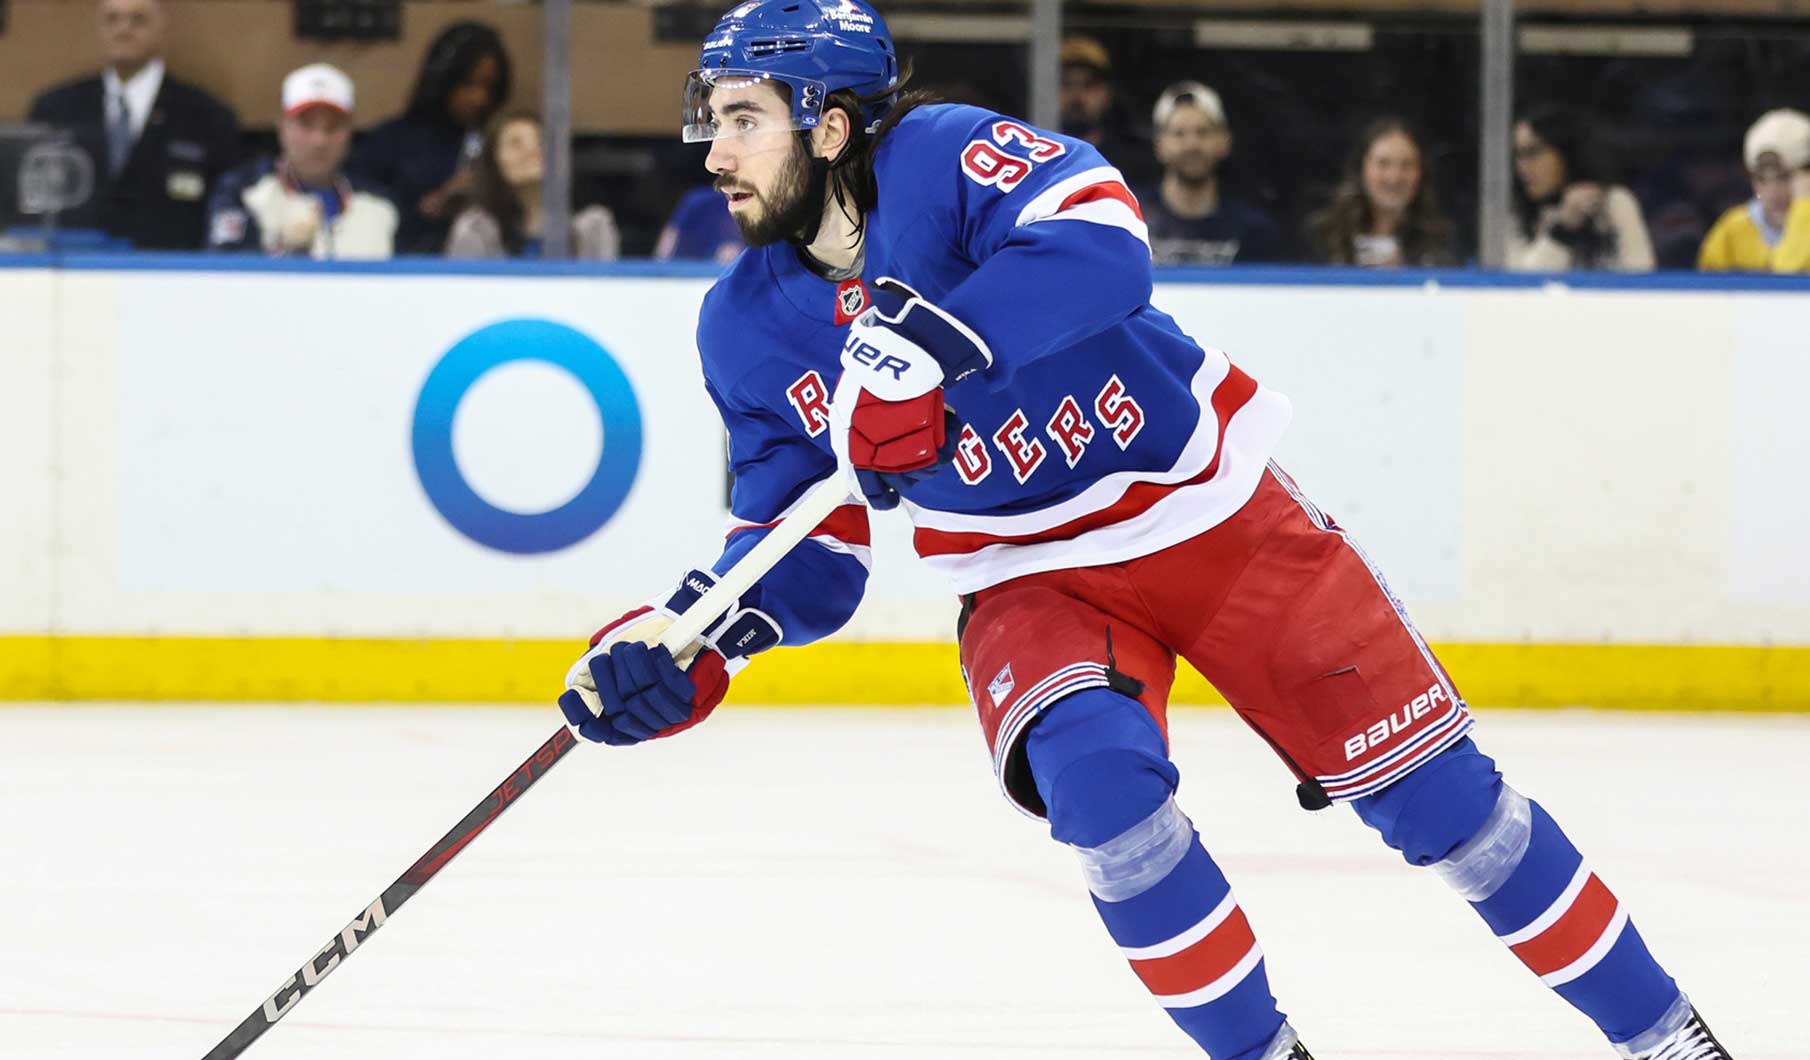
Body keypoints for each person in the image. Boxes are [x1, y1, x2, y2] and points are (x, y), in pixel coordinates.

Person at [557, 3, 1739, 1059]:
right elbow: (803, 551)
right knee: (1105, 801)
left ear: (829, 127)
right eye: (708, 120)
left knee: (1453, 817)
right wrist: (691, 641)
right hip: (1029, 575)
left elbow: (1106, 237)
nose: (711, 152)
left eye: (743, 119)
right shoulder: (744, 324)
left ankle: (1667, 1038)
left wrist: (939, 343)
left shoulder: (938, 156)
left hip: (1212, 519)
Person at [26, 0, 240, 249]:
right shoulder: (57, 110)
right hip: (76, 271)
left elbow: (224, 214)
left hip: (171, 274)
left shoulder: (207, 117)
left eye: (138, 19)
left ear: (162, 28)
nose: (123, 29)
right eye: (112, 19)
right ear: (99, 29)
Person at [204, 64, 396, 258]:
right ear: (282, 128)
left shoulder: (381, 204)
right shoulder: (242, 191)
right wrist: (284, 250)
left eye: (332, 127)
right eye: (306, 125)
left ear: (349, 133)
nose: (319, 140)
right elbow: (224, 273)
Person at [352, 21, 511, 254]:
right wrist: (429, 207)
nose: (479, 98)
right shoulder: (390, 141)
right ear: (443, 80)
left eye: (489, 87)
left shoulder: (495, 144)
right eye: (468, 84)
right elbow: (358, 214)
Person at [1138, 81, 1282, 265]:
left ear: (1225, 141)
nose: (1192, 145)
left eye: (1203, 132)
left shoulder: (1253, 230)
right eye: (1179, 134)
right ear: (1159, 145)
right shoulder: (1132, 220)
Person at [444, 110, 618, 260]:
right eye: (515, 144)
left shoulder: (593, 227)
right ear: (493, 162)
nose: (533, 150)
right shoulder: (476, 228)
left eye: (541, 140)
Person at [1508, 105, 1654, 272]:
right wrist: (1562, 232)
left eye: (1533, 153)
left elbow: (1641, 277)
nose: (1522, 167)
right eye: (1518, 156)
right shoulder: (1515, 212)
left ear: (1565, 153)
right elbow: (1519, 287)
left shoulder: (1614, 202)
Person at [1303, 117, 1456, 268]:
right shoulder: (1324, 236)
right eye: (1383, 164)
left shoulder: (1440, 242)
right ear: (1361, 169)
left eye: (1407, 165)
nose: (1394, 177)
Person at [1698, 108, 1810, 272]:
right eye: (1760, 179)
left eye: (1784, 177)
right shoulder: (1733, 230)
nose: (1772, 193)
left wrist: (1803, 210)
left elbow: (1787, 279)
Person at [1058, 35, 1155, 190]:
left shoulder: (1134, 161)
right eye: (1066, 83)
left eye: (1088, 84)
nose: (1077, 95)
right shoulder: (1034, 156)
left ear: (1107, 93)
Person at [654, 185, 744, 263]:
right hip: (689, 271)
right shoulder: (699, 200)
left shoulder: (752, 206)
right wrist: (661, 265)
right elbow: (671, 234)